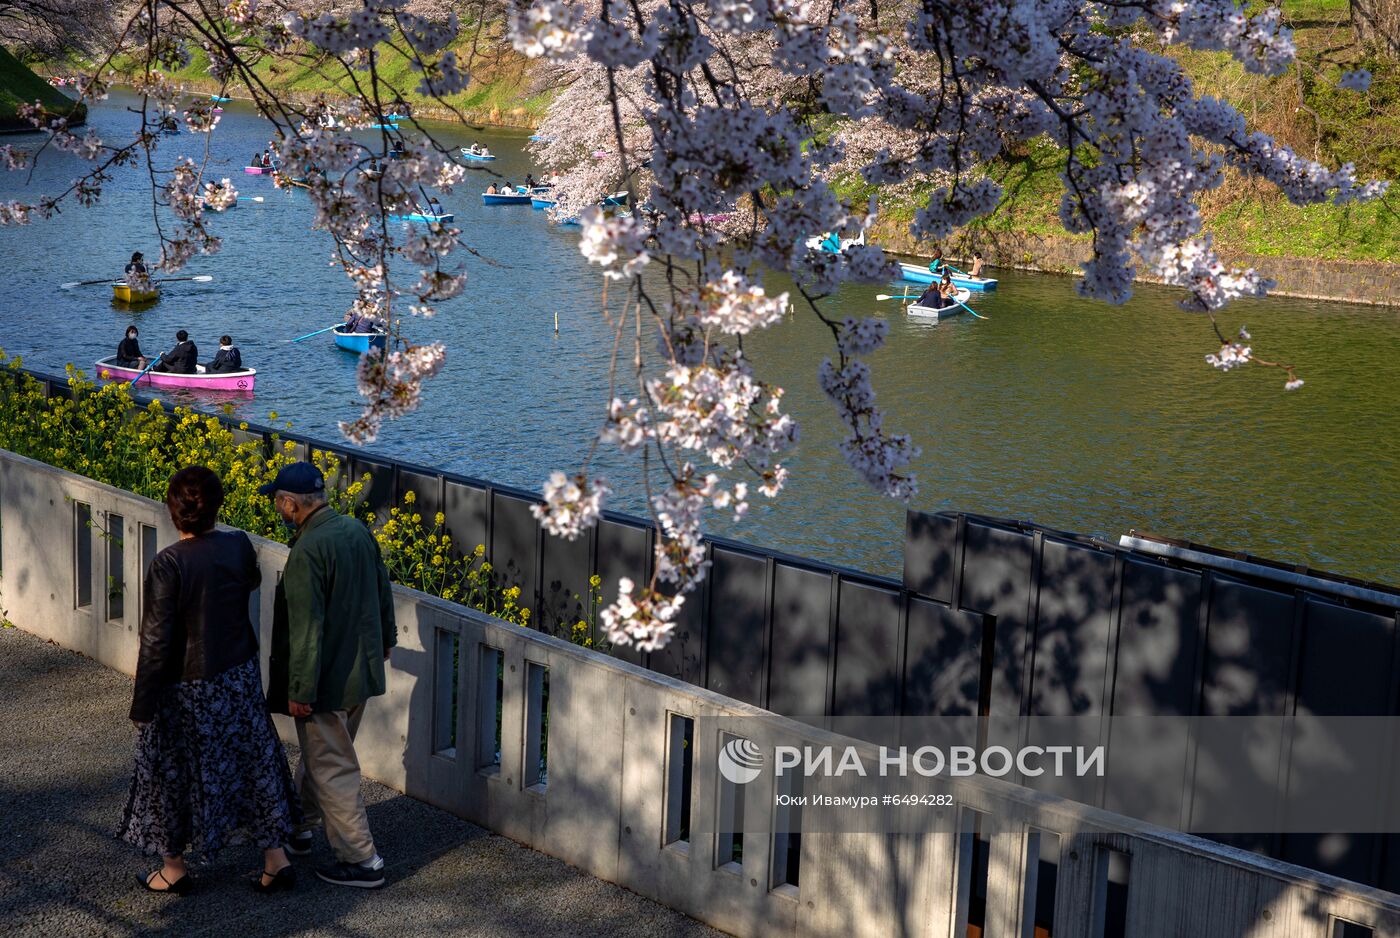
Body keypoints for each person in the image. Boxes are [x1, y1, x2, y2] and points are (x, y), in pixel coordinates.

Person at [120, 466, 301, 895]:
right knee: (253, 761)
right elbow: (250, 582)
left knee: (170, 770)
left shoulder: (168, 563)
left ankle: (174, 867)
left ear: (173, 510)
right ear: (217, 506)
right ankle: (276, 858)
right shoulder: (238, 545)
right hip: (236, 675)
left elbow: (156, 641)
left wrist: (142, 705)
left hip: (187, 686)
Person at [260, 462, 397, 889]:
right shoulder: (356, 530)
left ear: (290, 503)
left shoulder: (306, 553)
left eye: (278, 501)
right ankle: (301, 826)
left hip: (325, 682)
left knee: (333, 766)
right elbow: (382, 589)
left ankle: (362, 861)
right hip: (361, 673)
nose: (277, 508)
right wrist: (386, 641)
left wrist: (299, 690)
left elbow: (305, 632)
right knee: (324, 757)